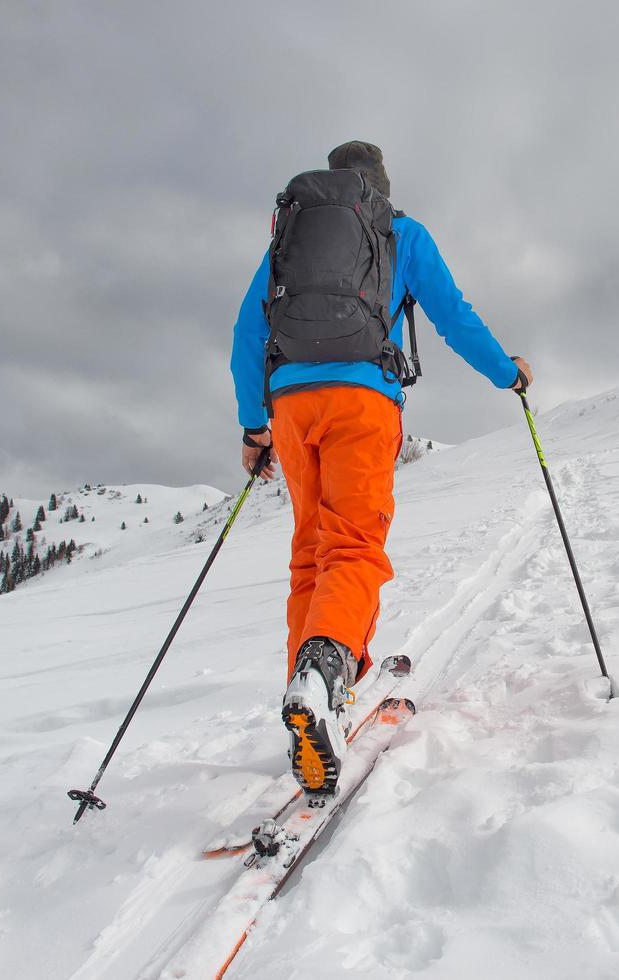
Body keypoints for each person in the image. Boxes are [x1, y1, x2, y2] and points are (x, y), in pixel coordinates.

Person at [230, 141, 532, 795]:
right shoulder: (400, 232)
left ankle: (309, 708)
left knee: (309, 554)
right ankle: (324, 672)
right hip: (362, 400)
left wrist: (253, 424)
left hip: (288, 405)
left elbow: (246, 332)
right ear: (379, 186)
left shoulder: (290, 237)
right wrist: (508, 374)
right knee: (353, 547)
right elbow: (453, 316)